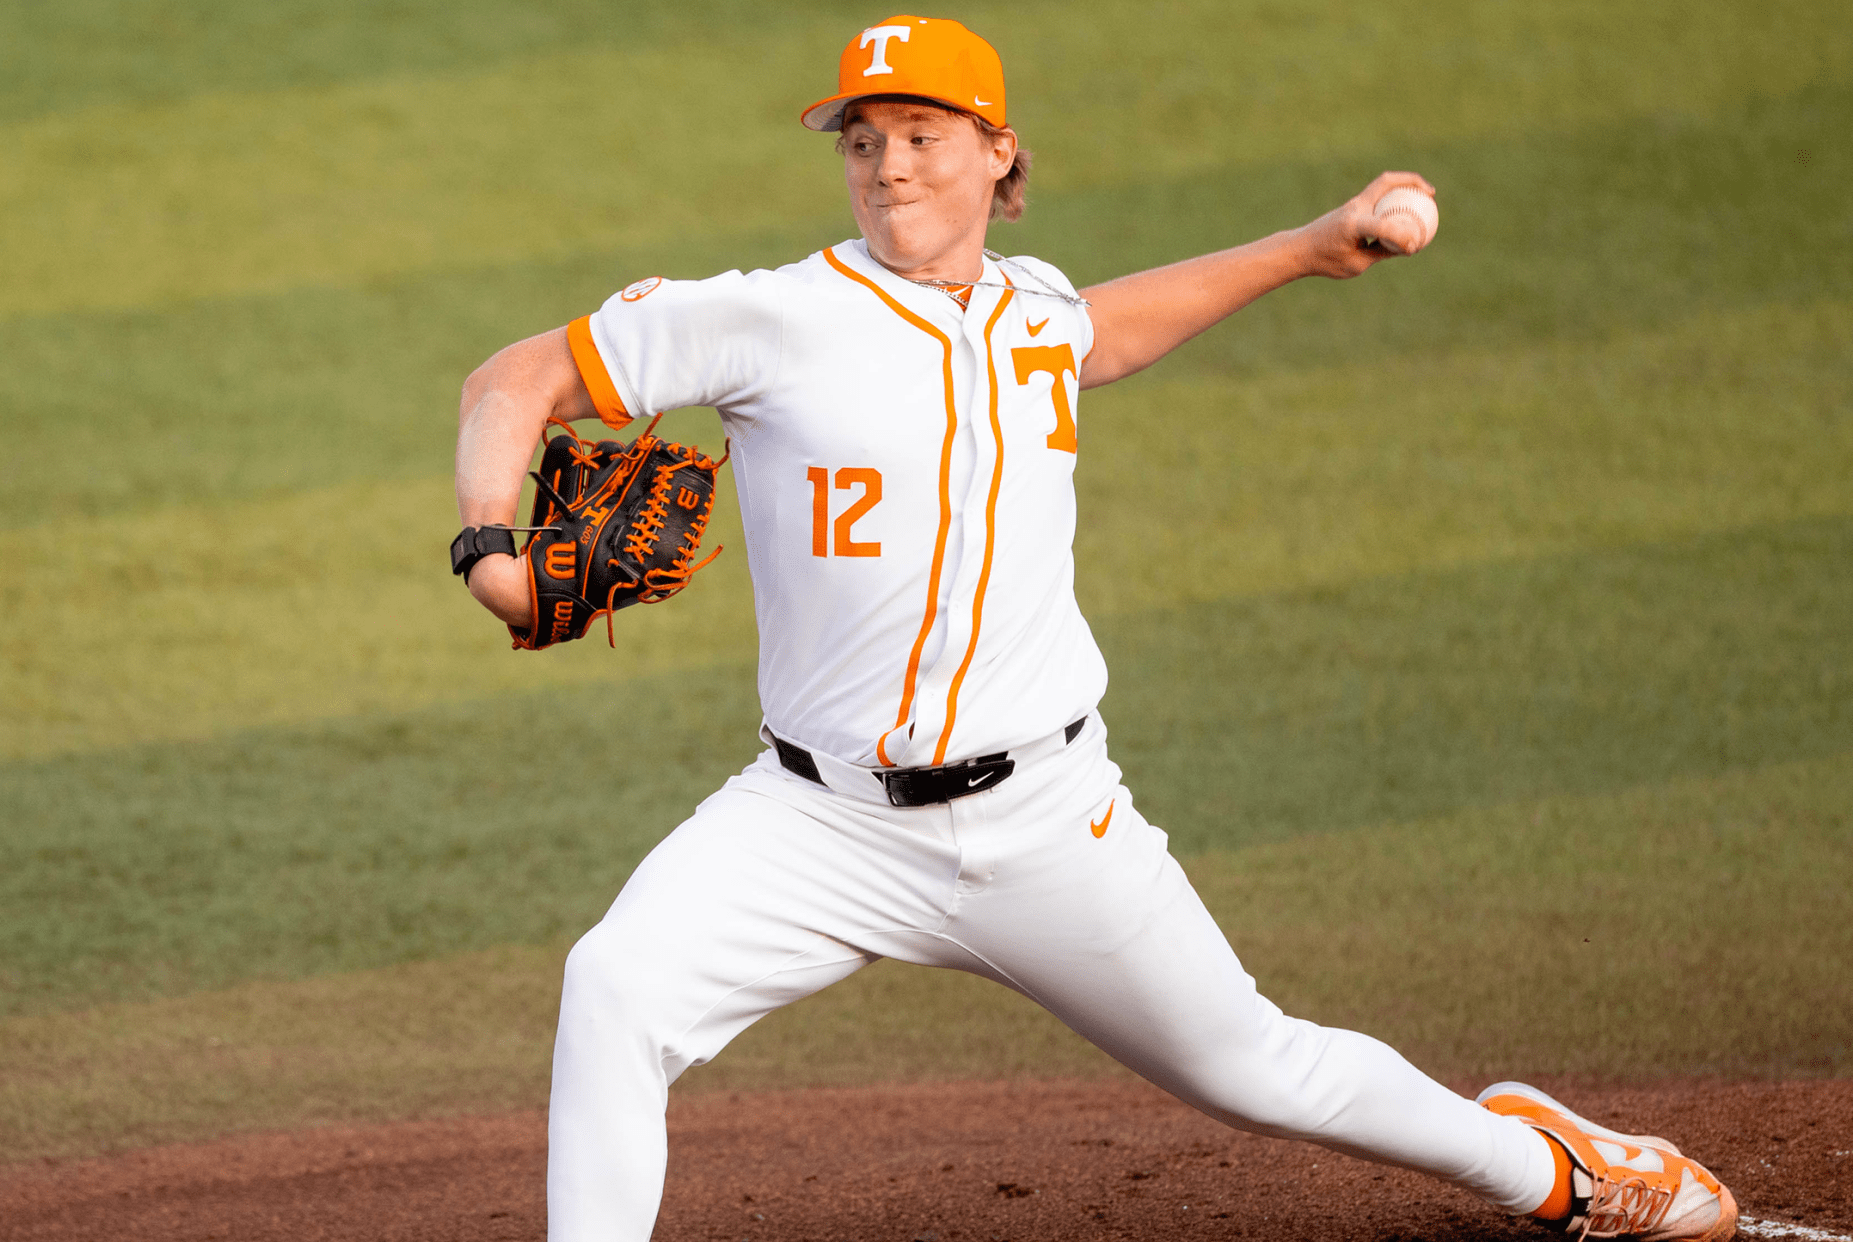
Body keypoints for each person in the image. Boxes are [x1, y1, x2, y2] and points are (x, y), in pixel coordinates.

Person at [450, 15, 1738, 1242]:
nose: (889, 167)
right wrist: (490, 550)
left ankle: (1557, 1174)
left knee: (1257, 1068)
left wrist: (1306, 246)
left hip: (1047, 817)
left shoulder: (1034, 312)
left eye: (922, 134)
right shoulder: (766, 314)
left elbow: (1097, 336)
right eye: (863, 140)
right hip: (815, 822)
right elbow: (514, 378)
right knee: (615, 987)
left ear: (998, 150)